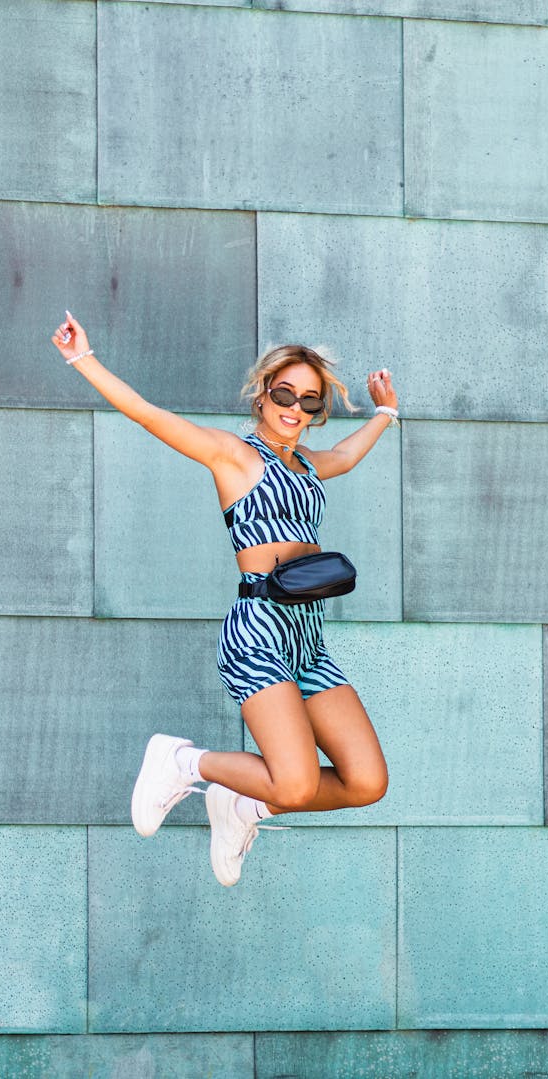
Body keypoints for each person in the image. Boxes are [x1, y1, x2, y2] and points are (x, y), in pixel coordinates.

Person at [52, 312, 398, 886]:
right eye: (285, 392)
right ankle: (183, 762)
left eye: (310, 401)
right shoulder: (234, 456)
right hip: (259, 631)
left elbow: (349, 455)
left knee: (366, 782)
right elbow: (147, 414)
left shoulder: (307, 464)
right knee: (295, 783)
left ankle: (242, 806)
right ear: (263, 394)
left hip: (307, 641)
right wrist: (81, 358)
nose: (295, 407)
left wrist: (385, 413)